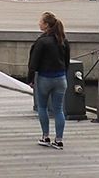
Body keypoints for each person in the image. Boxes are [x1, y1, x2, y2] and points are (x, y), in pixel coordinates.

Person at [28, 11, 70, 149]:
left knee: (42, 107)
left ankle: (45, 136)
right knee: (58, 110)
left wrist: (30, 79)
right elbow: (67, 61)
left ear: (46, 25)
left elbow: (33, 63)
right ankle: (59, 140)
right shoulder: (63, 40)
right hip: (61, 78)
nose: (39, 23)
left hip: (45, 78)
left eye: (40, 21)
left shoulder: (42, 41)